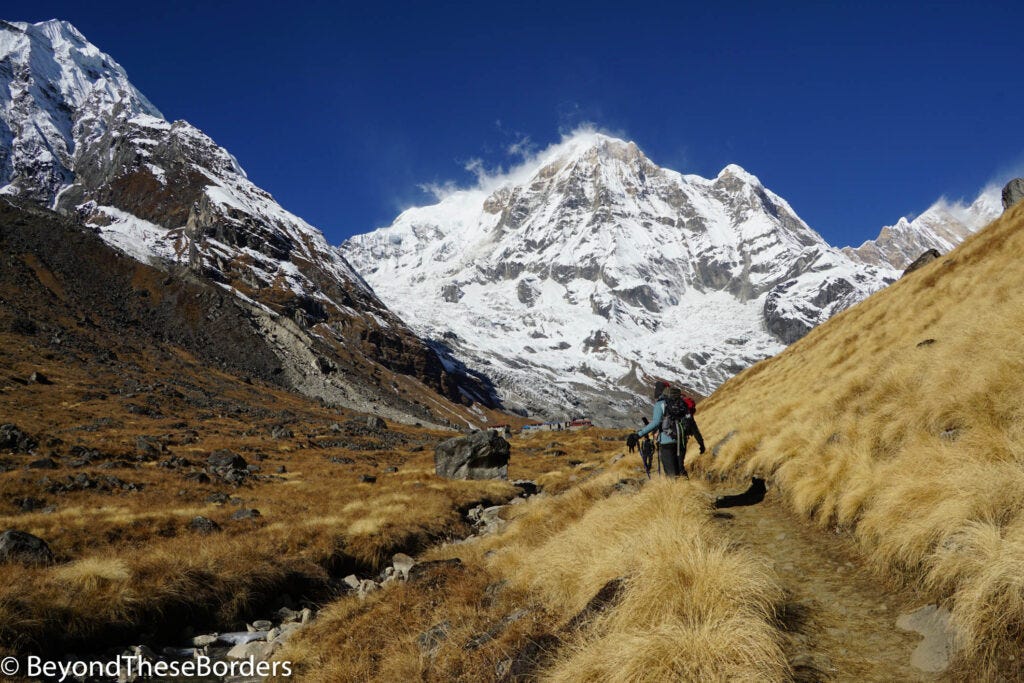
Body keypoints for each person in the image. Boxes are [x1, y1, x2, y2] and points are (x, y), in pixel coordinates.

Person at [632, 382, 705, 478]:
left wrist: (638, 435)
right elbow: (692, 424)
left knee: (671, 474)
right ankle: (687, 489)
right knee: (680, 469)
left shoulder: (661, 404)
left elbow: (655, 423)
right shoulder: (682, 403)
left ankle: (676, 491)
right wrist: (701, 443)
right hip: (682, 441)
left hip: (666, 442)